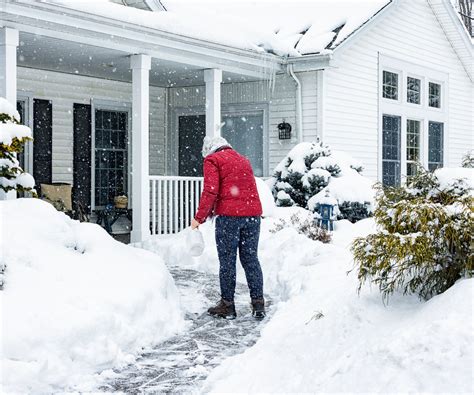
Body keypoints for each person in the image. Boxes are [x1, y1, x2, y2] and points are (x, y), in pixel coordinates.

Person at [191, 136, 265, 320]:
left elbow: (211, 190)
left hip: (229, 218)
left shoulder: (212, 160)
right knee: (250, 259)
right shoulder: (243, 159)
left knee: (227, 261)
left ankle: (227, 305)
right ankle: (258, 304)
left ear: (208, 150)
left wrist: (199, 217)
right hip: (252, 217)